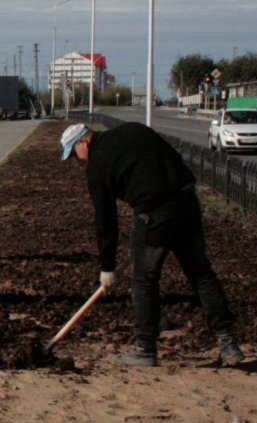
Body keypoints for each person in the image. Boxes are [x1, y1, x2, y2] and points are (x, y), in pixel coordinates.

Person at [60, 122, 243, 367]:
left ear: (83, 142)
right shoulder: (134, 130)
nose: (77, 160)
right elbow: (172, 157)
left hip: (154, 214)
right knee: (199, 272)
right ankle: (228, 342)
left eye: (74, 154)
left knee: (144, 280)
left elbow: (105, 219)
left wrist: (106, 267)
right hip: (186, 202)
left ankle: (145, 349)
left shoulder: (97, 166)